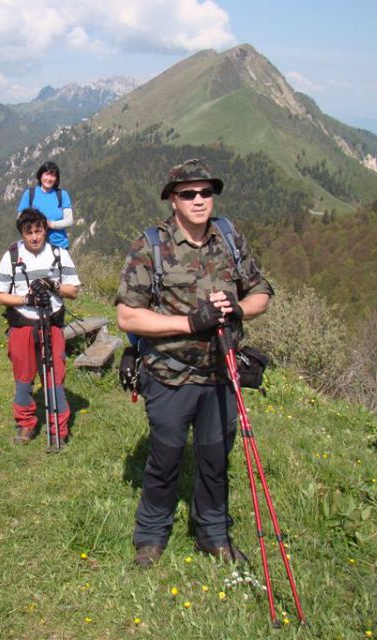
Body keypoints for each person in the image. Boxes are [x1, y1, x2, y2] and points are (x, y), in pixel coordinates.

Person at [115, 159, 273, 568]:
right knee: (165, 458)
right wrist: (190, 322)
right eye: (188, 193)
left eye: (206, 192)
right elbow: (128, 316)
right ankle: (150, 537)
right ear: (172, 199)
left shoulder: (229, 238)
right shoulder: (150, 245)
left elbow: (261, 292)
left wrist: (237, 308)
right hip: (169, 375)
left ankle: (213, 535)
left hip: (222, 374)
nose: (199, 200)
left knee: (215, 459)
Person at [0, 208, 81, 448]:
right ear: (22, 233)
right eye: (28, 232)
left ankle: (58, 428)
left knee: (55, 376)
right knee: (23, 377)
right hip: (22, 324)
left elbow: (72, 291)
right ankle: (25, 423)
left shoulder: (59, 254)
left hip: (51, 322)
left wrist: (53, 285)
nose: (34, 237)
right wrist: (25, 300)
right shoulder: (12, 255)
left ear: (45, 230)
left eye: (38, 231)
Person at [16, 161, 73, 249]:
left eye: (53, 175)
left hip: (59, 246)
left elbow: (69, 220)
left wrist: (51, 224)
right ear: (40, 175)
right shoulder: (30, 194)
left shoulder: (62, 195)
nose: (49, 179)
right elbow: (20, 219)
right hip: (36, 245)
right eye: (46, 174)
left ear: (56, 179)